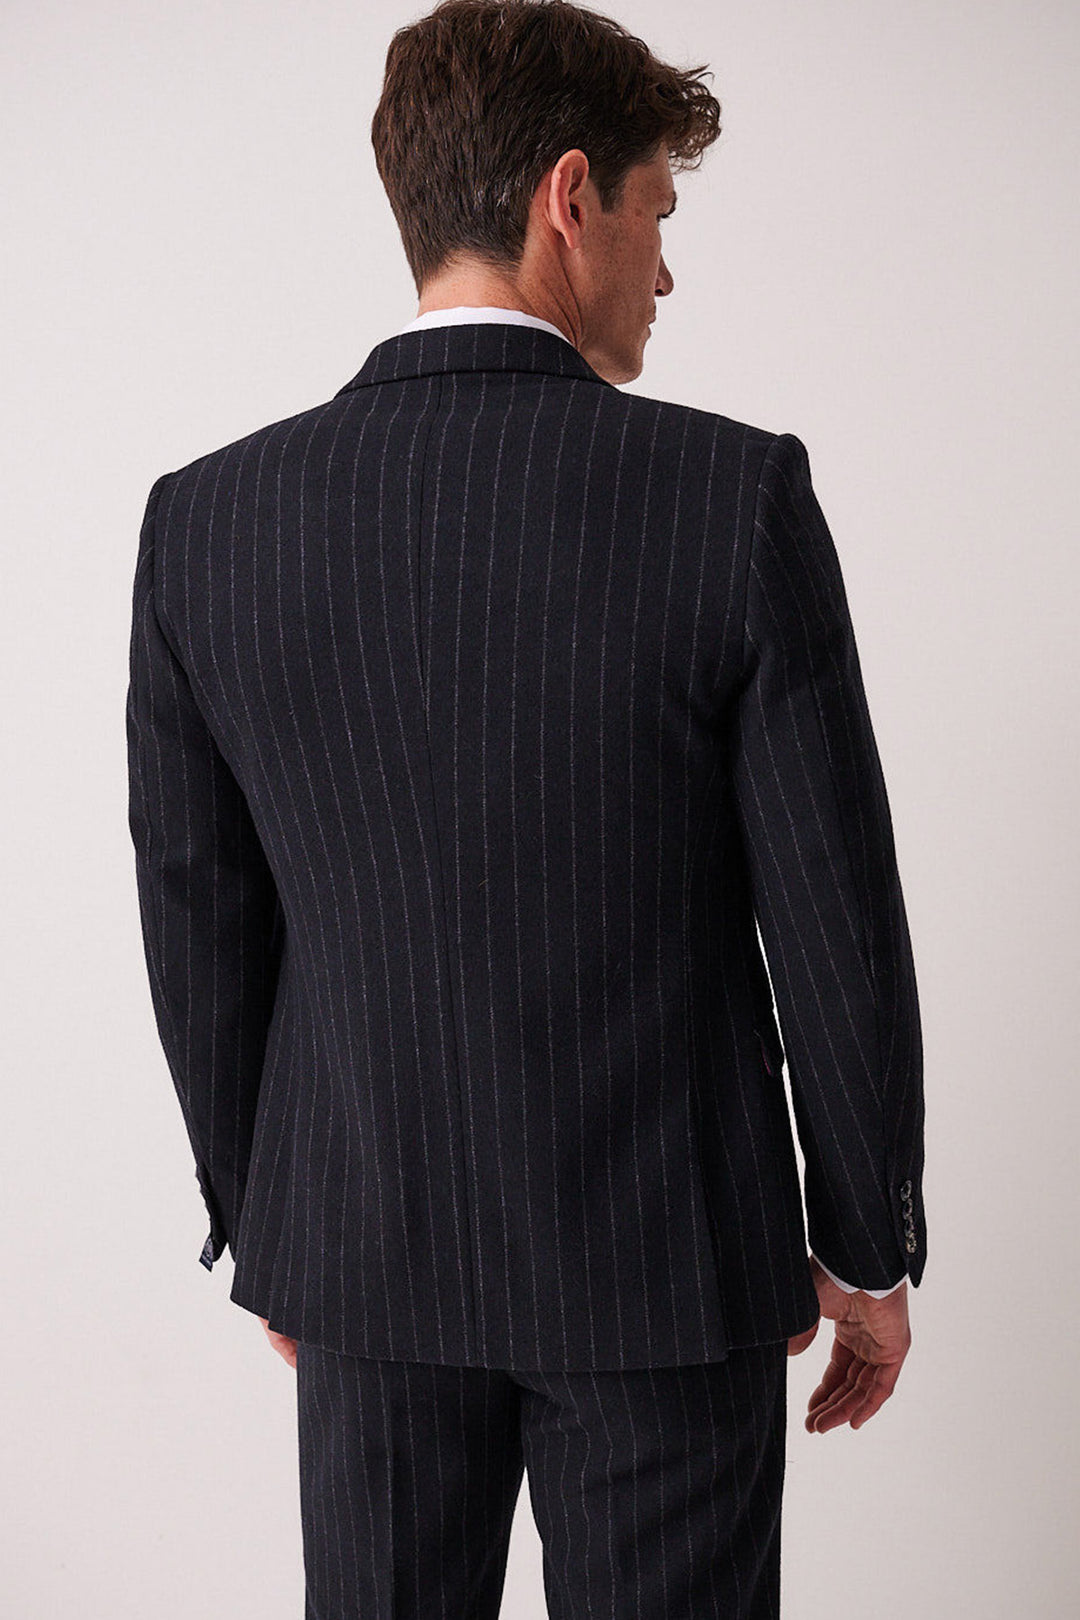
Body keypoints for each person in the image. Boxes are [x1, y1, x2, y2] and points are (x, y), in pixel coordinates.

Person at [125, 2, 927, 1613]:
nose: (666, 270)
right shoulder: (730, 497)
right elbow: (831, 910)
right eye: (658, 214)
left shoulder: (210, 525)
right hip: (667, 1266)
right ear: (573, 196)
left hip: (361, 1253)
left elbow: (199, 911)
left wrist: (264, 1225)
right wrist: (866, 1246)